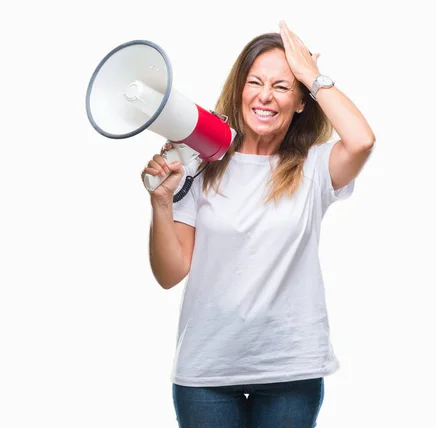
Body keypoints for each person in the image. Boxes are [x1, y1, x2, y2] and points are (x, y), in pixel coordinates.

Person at [141, 21, 375, 428]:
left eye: (282, 87)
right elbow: (170, 272)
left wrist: (310, 75)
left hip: (290, 368)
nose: (265, 96)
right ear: (241, 90)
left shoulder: (314, 167)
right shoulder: (201, 164)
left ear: (301, 101)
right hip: (206, 370)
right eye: (255, 82)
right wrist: (161, 203)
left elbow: (361, 141)